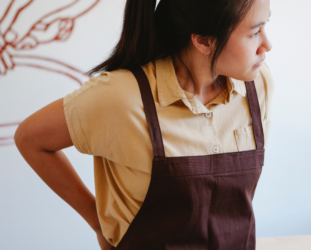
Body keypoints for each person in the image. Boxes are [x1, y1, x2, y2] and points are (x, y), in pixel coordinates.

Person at [14, 0, 274, 249]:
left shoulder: (258, 86)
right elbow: (29, 139)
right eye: (254, 32)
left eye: (266, 25)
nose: (267, 45)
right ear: (203, 40)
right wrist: (97, 222)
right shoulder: (121, 97)